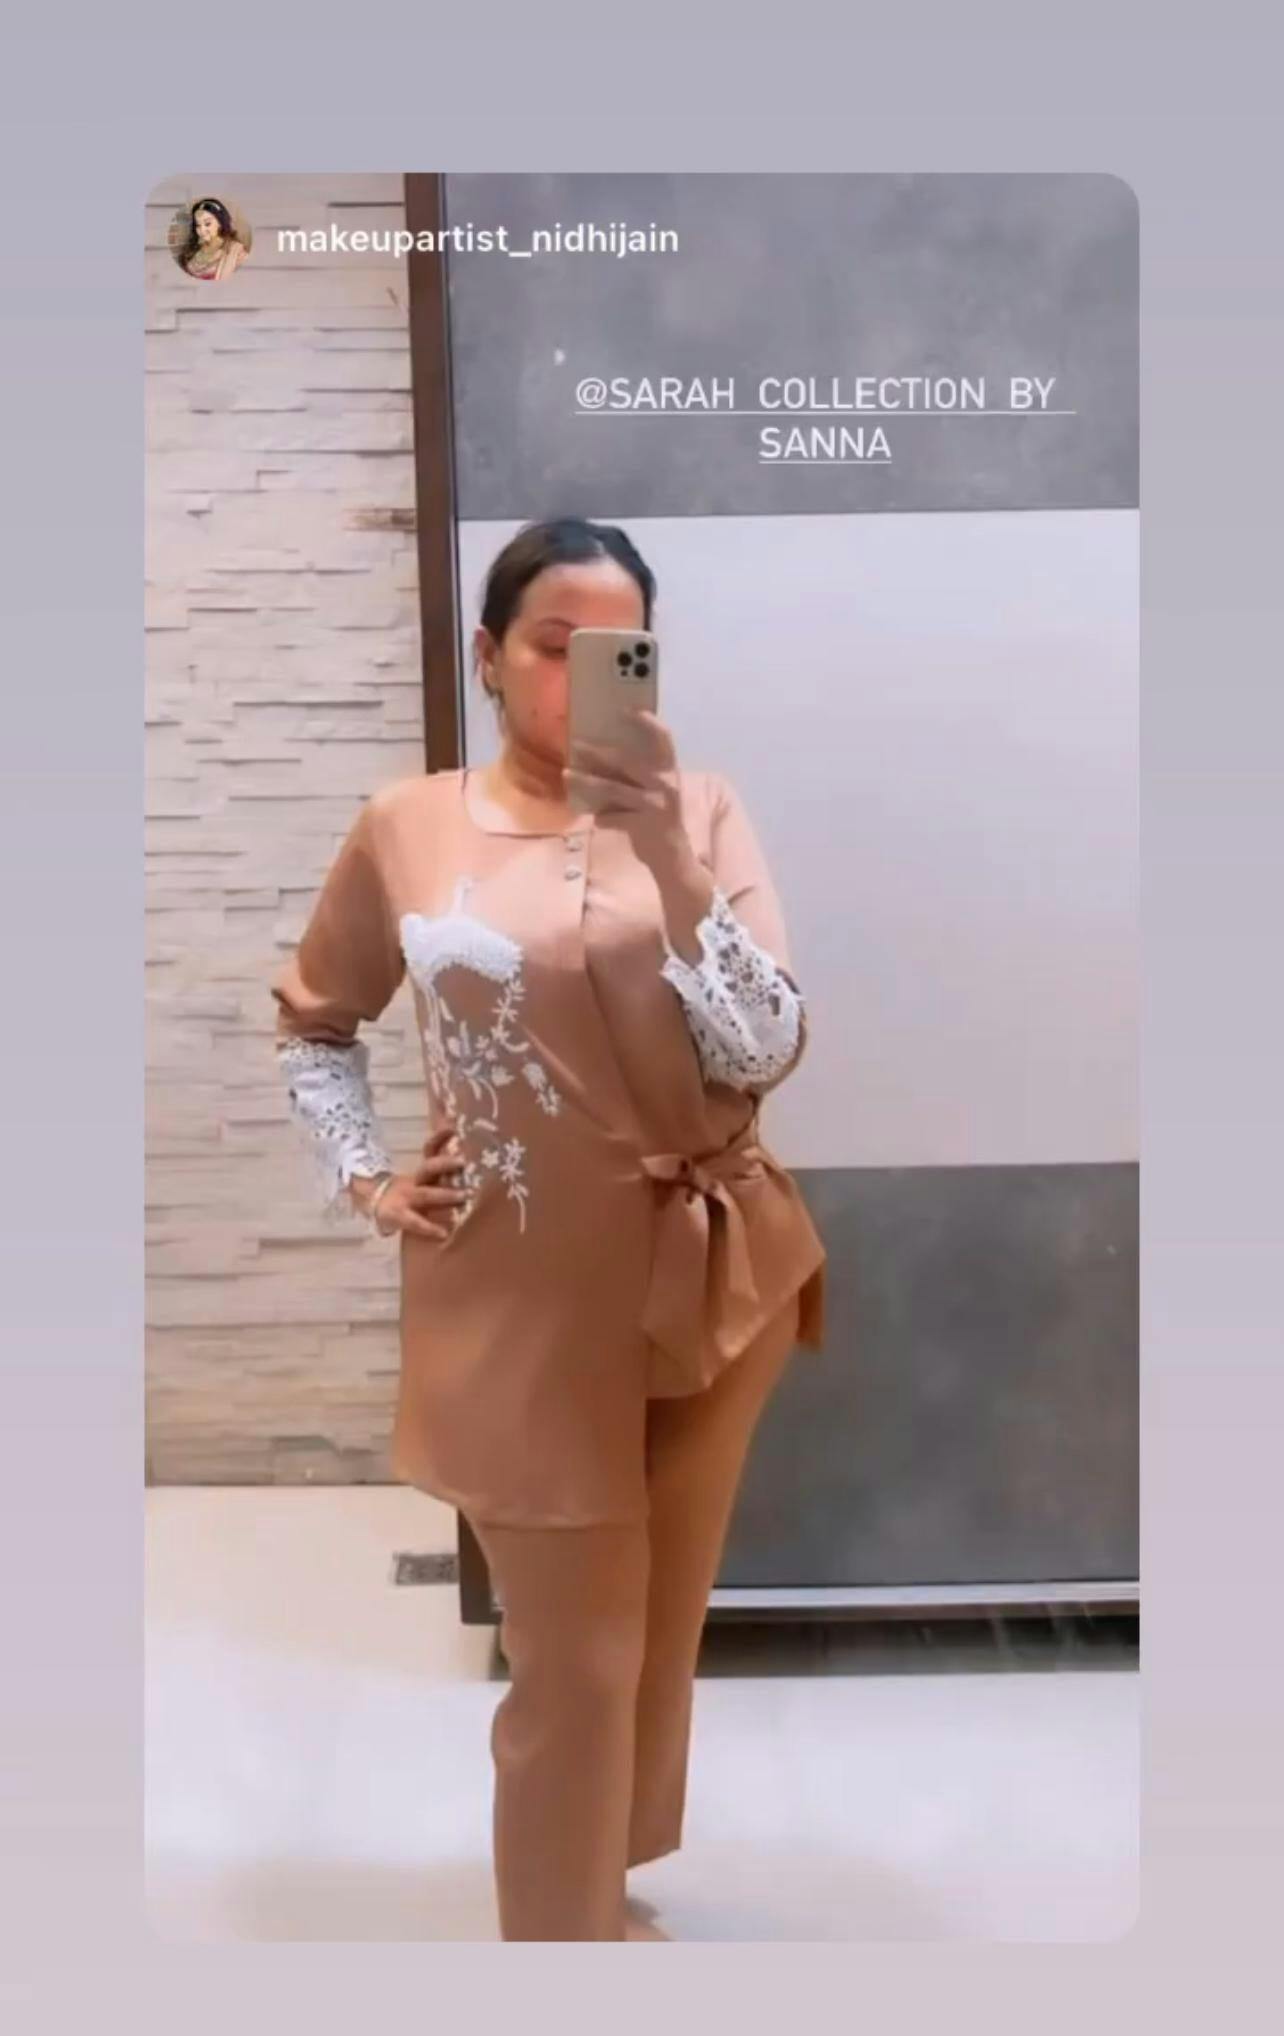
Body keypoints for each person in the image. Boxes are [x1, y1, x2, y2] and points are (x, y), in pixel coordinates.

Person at [269, 516, 827, 1940]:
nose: (580, 678)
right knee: (573, 1659)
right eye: (550, 646)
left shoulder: (701, 809)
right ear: (487, 656)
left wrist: (670, 860)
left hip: (715, 1283)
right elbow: (317, 1027)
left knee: (653, 1628)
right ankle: (559, 1941)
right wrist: (367, 1180)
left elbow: (766, 1047)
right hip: (513, 1304)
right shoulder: (407, 827)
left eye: (616, 649)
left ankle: (609, 1872)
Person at [178, 197, 247, 281]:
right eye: (198, 225)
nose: (202, 230)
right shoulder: (193, 248)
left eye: (207, 224)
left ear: (220, 223)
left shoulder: (236, 251)